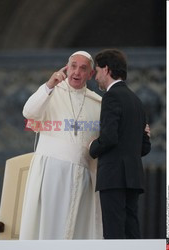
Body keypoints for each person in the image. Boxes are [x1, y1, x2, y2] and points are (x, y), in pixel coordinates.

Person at [19, 51, 103, 239]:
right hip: (51, 173)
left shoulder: (98, 103)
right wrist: (49, 85)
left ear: (90, 75)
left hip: (83, 176)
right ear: (66, 67)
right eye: (73, 66)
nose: (77, 72)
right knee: (49, 225)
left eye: (83, 68)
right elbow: (29, 112)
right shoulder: (52, 91)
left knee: (76, 230)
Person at [89, 49, 151, 239]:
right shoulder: (136, 100)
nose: (96, 77)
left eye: (97, 71)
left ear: (106, 69)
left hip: (114, 176)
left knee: (114, 233)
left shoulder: (111, 96)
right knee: (131, 231)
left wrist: (92, 147)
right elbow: (144, 147)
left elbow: (109, 138)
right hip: (132, 177)